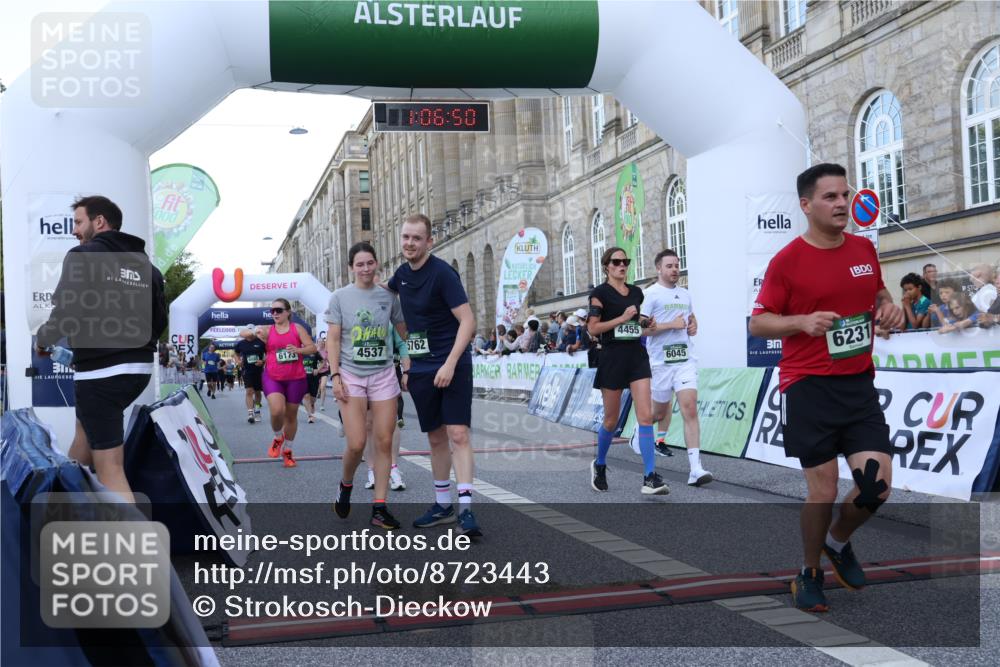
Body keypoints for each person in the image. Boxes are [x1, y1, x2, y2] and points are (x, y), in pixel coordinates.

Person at [748, 163, 904, 613]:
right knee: (823, 491)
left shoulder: (863, 248)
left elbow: (879, 294)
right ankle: (809, 571)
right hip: (808, 387)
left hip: (858, 386)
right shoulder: (787, 261)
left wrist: (889, 307)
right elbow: (758, 323)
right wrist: (801, 321)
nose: (841, 204)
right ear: (806, 205)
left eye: (844, 195)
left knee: (876, 487)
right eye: (830, 197)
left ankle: (837, 542)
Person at [35, 195, 167, 503]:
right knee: (83, 439)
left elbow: (66, 313)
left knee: (110, 469)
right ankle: (65, 508)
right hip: (137, 371)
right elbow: (159, 321)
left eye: (78, 222)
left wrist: (43, 340)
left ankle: (135, 535)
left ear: (99, 221)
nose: (74, 230)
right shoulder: (148, 267)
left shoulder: (82, 256)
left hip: (101, 375)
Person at [387, 214, 481, 536]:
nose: (410, 243)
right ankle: (442, 506)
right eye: (406, 237)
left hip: (451, 363)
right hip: (422, 368)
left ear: (429, 241)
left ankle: (466, 510)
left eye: (416, 238)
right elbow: (381, 298)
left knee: (458, 433)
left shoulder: (442, 273)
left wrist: (450, 363)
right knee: (436, 437)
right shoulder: (400, 276)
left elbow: (468, 321)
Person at [328, 242, 409, 530]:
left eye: (370, 263)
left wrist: (411, 358)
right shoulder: (339, 297)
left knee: (384, 441)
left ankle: (379, 508)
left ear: (377, 264)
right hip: (351, 375)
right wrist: (335, 376)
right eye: (360, 264)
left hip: (383, 374)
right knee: (357, 442)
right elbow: (333, 339)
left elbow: (403, 331)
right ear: (351, 268)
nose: (365, 269)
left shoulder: (389, 297)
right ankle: (345, 484)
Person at [587, 247, 668, 496]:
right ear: (606, 266)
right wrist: (621, 319)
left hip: (636, 357)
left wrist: (645, 323)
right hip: (612, 357)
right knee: (611, 421)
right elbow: (593, 329)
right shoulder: (599, 294)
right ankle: (600, 464)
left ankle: (650, 476)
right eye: (617, 262)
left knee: (645, 417)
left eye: (625, 261)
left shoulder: (636, 292)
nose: (622, 265)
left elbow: (637, 323)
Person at [637, 248, 713, 486]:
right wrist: (671, 324)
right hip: (660, 363)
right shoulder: (650, 295)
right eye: (669, 266)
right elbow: (641, 330)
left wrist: (693, 326)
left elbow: (691, 320)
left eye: (677, 265)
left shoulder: (685, 294)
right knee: (658, 414)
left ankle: (695, 469)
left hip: (684, 361)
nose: (674, 270)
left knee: (690, 408)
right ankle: (640, 433)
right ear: (659, 268)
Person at [242, 298, 317, 467]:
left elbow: (312, 348)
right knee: (277, 411)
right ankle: (278, 437)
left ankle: (288, 451)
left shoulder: (297, 328)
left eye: (278, 310)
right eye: (272, 311)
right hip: (273, 377)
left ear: (288, 312)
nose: (275, 313)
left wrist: (298, 350)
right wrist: (254, 331)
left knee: (291, 415)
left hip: (296, 378)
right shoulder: (268, 330)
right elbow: (243, 334)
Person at [234, 325, 266, 423]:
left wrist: (263, 361)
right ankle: (250, 413)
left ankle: (257, 410)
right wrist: (238, 361)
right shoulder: (241, 343)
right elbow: (236, 353)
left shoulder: (261, 342)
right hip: (247, 371)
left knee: (257, 392)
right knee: (249, 391)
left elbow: (269, 354)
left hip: (258, 371)